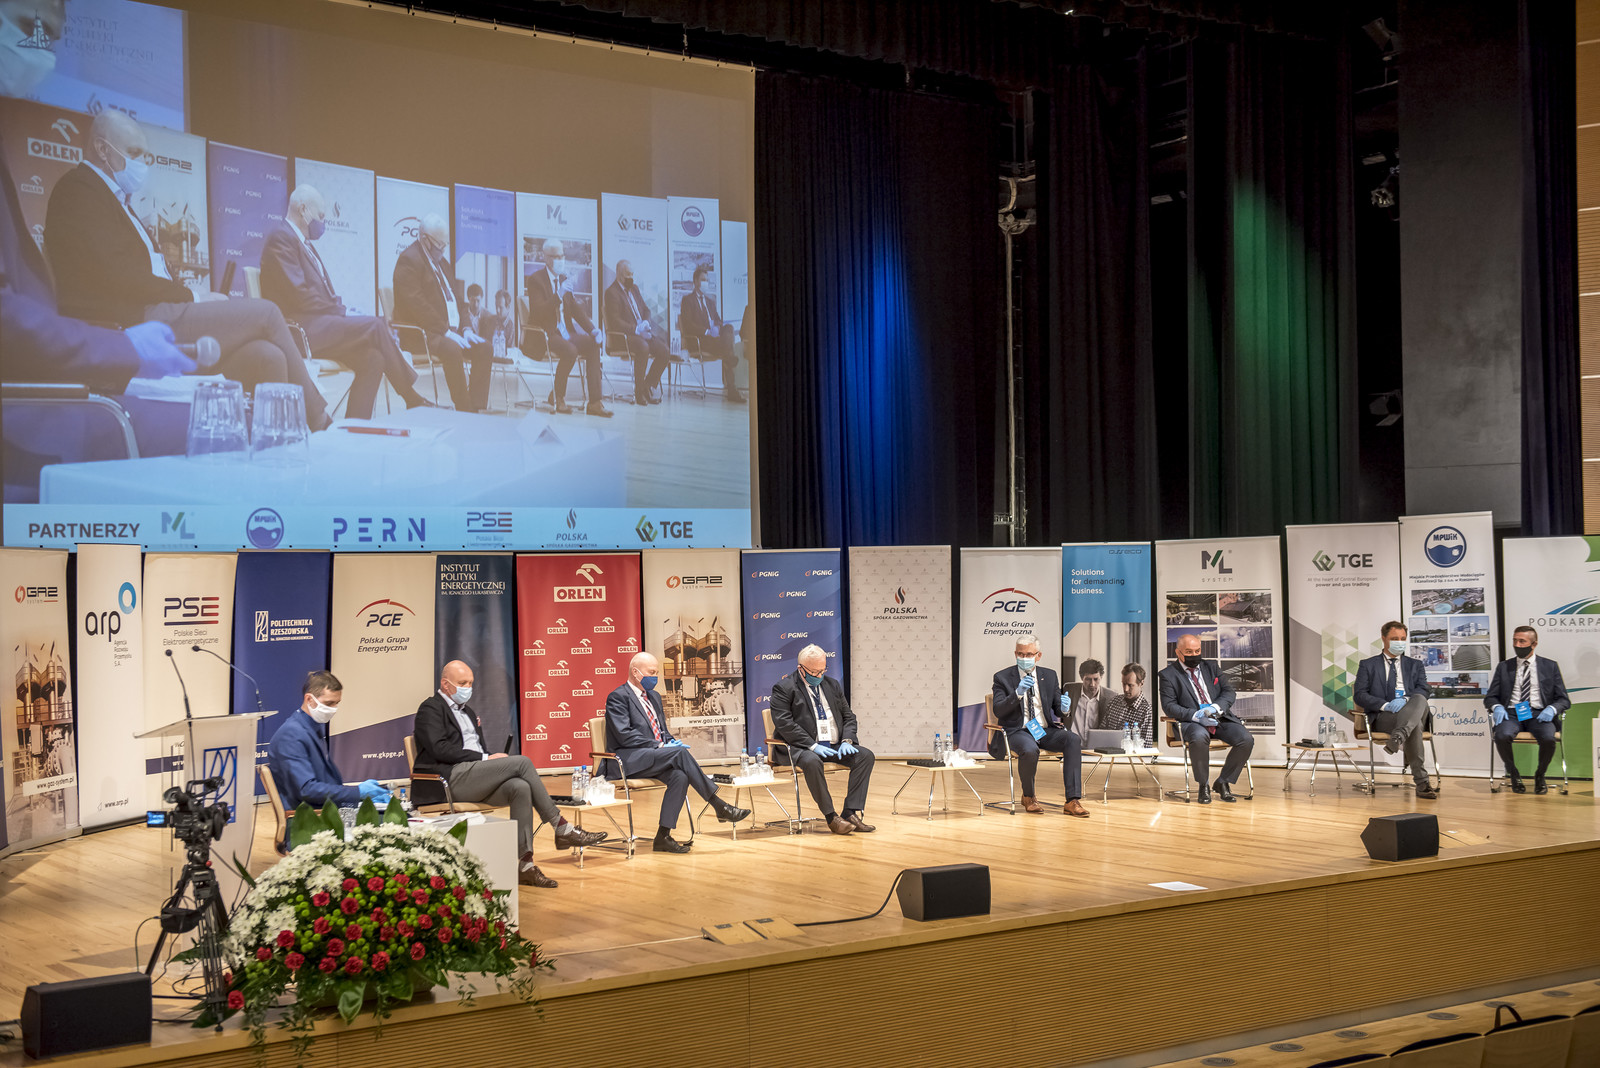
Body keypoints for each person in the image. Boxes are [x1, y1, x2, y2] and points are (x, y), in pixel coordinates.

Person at [41, 109, 329, 428]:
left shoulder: (119, 201)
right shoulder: (79, 190)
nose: (142, 164)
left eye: (144, 155)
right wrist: (194, 296)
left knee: (266, 355)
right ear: (102, 149)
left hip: (157, 310)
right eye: (134, 153)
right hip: (133, 322)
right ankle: (320, 422)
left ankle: (278, 445)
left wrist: (191, 297)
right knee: (267, 313)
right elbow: (117, 275)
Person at [412, 660, 606, 888]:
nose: (468, 688)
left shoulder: (469, 712)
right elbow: (439, 749)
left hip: (473, 776)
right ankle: (561, 826)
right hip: (448, 779)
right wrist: (486, 759)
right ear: (446, 684)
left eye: (471, 683)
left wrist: (488, 760)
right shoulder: (430, 708)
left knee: (520, 788)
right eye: (462, 683)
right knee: (522, 762)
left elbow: (477, 749)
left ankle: (525, 865)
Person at [259, 184, 433, 419]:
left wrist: (344, 309)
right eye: (321, 215)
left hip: (318, 325)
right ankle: (411, 397)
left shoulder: (304, 244)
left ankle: (355, 427)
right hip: (299, 330)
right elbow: (299, 295)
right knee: (376, 325)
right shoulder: (281, 238)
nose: (323, 222)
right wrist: (342, 311)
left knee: (374, 358)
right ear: (302, 209)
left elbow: (318, 294)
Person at [602, 653, 751, 853]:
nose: (655, 677)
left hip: (652, 757)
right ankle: (719, 805)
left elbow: (661, 730)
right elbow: (624, 735)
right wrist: (660, 746)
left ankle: (663, 837)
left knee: (680, 776)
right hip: (628, 759)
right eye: (651, 672)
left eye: (657, 672)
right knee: (678, 754)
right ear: (636, 673)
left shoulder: (654, 697)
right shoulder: (618, 697)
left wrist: (670, 741)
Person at [768, 644, 875, 835]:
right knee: (812, 760)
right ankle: (831, 817)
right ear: (801, 668)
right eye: (814, 672)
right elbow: (784, 724)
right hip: (801, 748)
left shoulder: (832, 685)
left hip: (833, 745)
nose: (819, 675)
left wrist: (847, 740)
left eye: (822, 670)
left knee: (865, 756)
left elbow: (849, 717)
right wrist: (812, 745)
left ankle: (850, 812)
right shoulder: (784, 688)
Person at [392, 214, 491, 412]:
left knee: (484, 348)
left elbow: (459, 302)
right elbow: (417, 306)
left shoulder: (442, 263)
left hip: (449, 331)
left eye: (446, 244)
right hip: (423, 333)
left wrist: (466, 328)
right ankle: (464, 407)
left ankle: (475, 407)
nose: (443, 249)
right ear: (425, 239)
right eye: (440, 244)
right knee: (452, 349)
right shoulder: (408, 260)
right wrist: (445, 331)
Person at [991, 638, 1089, 817]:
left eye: (1029, 654)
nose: (1024, 658)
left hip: (1042, 730)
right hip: (1017, 730)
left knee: (1073, 740)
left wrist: (1064, 709)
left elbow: (1057, 708)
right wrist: (1017, 694)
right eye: (1020, 654)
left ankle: (1072, 801)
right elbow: (998, 709)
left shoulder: (1049, 675)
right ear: (1015, 654)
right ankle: (1028, 796)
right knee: (1030, 749)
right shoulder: (1002, 677)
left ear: (1038, 656)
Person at [268, 670, 390, 812]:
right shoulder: (291, 735)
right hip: (308, 816)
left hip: (325, 808)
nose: (333, 709)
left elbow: (325, 782)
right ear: (309, 699)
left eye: (336, 703)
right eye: (329, 703)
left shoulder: (310, 728)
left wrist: (358, 797)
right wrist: (358, 792)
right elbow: (307, 790)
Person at [1157, 633, 1254, 803]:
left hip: (1219, 717)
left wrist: (1214, 708)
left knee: (1246, 739)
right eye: (1189, 652)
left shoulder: (1211, 666)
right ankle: (1204, 785)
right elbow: (1169, 706)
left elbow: (1229, 692)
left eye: (1197, 651)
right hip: (1191, 722)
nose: (1194, 655)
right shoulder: (1168, 675)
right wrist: (1196, 715)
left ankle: (1223, 782)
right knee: (1199, 736)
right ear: (1178, 652)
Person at [525, 240, 611, 417]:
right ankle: (558, 397)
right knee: (570, 350)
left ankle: (595, 403)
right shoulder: (535, 280)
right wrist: (558, 295)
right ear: (545, 258)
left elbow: (575, 309)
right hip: (546, 334)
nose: (560, 260)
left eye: (562, 256)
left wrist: (592, 329)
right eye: (555, 256)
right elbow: (539, 312)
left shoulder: (563, 279)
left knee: (593, 344)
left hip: (565, 332)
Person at [1352, 621, 1436, 800]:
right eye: (1395, 638)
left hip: (1412, 709)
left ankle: (1398, 737)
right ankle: (1422, 783)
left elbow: (1424, 689)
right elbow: (1359, 695)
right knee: (1413, 726)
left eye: (1403, 639)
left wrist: (1405, 699)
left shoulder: (1415, 664)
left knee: (1420, 698)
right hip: (1385, 716)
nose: (1400, 642)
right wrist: (1384, 705)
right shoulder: (1368, 665)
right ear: (1383, 638)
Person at [1485, 626, 1570, 794]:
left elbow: (1564, 699)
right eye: (1515, 641)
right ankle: (1513, 773)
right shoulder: (1504, 667)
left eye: (1522, 641)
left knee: (1548, 738)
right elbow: (1490, 697)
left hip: (1539, 714)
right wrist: (1497, 706)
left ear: (1534, 644)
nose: (1517, 645)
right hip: (1511, 714)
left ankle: (1540, 775)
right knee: (1502, 735)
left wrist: (1552, 709)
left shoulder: (1550, 666)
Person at [677, 264, 744, 403]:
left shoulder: (710, 301)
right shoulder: (687, 300)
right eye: (703, 280)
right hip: (699, 341)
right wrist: (707, 331)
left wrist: (717, 328)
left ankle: (730, 369)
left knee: (729, 328)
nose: (705, 283)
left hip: (715, 340)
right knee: (727, 349)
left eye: (707, 280)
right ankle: (732, 389)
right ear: (695, 281)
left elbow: (718, 320)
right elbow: (688, 325)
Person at [604, 259, 667, 405]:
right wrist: (636, 330)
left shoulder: (634, 289)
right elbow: (615, 322)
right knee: (643, 347)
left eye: (632, 274)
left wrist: (645, 322)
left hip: (641, 333)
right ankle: (639, 393)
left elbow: (646, 310)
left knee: (664, 350)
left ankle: (647, 386)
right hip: (623, 337)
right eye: (628, 274)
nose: (631, 277)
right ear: (619, 274)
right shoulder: (611, 292)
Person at [1098, 663, 1154, 744]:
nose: (1125, 689)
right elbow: (1101, 732)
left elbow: (1146, 745)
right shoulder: (1114, 701)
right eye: (1124, 684)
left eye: (1130, 685)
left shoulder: (1147, 710)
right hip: (1108, 750)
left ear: (1141, 683)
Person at [1066, 659, 1105, 739]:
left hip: (1097, 743)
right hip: (1072, 742)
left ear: (1101, 677)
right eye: (1088, 679)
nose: (1092, 684)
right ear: (1081, 678)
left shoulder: (1110, 696)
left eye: (1096, 679)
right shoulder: (1069, 690)